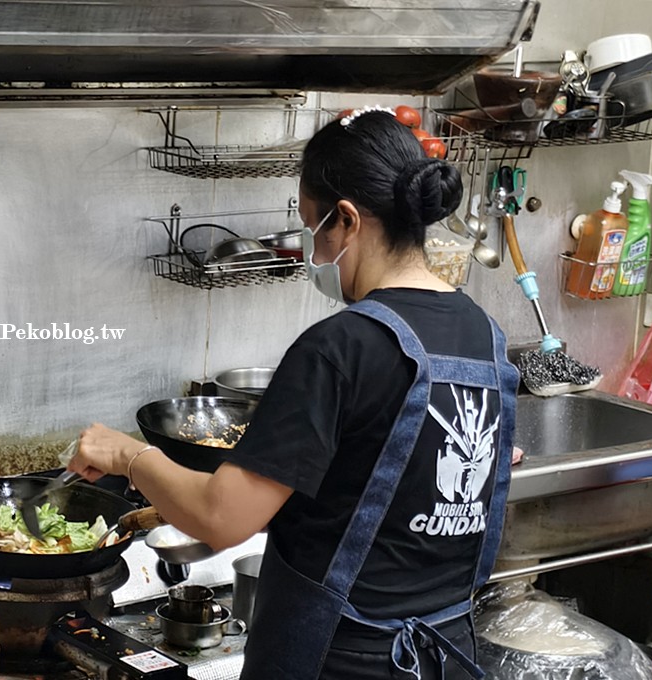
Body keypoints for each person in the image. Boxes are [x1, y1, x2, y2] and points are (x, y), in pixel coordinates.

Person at [68, 108, 519, 680]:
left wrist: (129, 455)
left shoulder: (341, 347)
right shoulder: (485, 335)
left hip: (337, 662)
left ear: (347, 220)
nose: (314, 253)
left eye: (312, 227)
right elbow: (377, 500)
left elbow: (221, 517)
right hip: (443, 655)